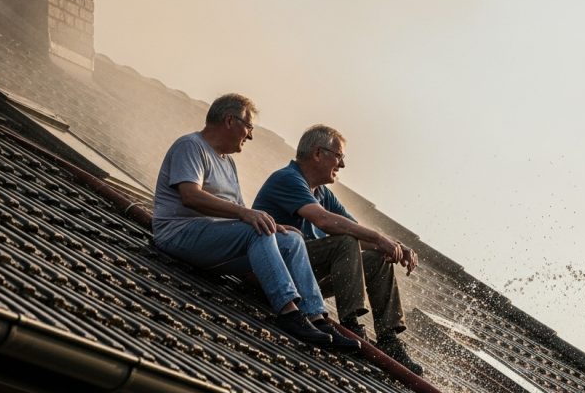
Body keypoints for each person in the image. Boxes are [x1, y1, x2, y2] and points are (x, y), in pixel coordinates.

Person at [151, 93, 360, 351]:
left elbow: (240, 210)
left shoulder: (228, 164)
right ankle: (288, 312)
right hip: (179, 234)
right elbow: (190, 196)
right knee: (256, 230)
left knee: (292, 239)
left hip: (212, 240)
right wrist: (245, 215)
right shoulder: (191, 146)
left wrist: (274, 226)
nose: (250, 135)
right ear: (230, 121)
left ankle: (316, 317)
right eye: (248, 127)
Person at [252, 125, 423, 375]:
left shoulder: (322, 193)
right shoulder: (288, 179)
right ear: (318, 153)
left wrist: (394, 246)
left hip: (305, 279)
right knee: (345, 241)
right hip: (276, 277)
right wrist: (379, 237)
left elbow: (356, 229)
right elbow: (324, 221)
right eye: (339, 156)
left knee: (378, 257)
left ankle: (389, 337)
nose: (342, 164)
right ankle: (350, 322)